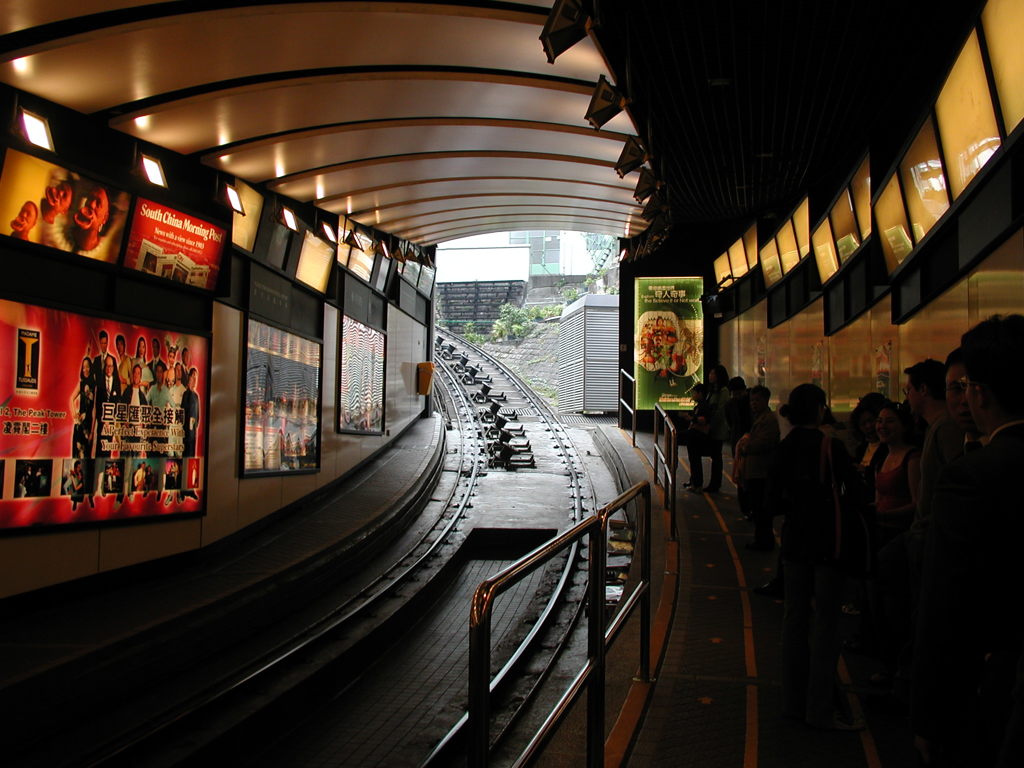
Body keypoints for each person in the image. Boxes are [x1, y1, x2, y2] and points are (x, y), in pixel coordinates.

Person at [913, 315, 1024, 768]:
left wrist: (928, 715)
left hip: (990, 688)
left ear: (979, 392)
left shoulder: (971, 477)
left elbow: (946, 605)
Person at [770, 383, 865, 730]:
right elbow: (853, 492)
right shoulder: (830, 446)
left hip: (794, 544)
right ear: (821, 409)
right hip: (827, 546)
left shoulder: (785, 446)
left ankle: (792, 703)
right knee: (826, 626)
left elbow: (773, 499)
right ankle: (820, 709)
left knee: (794, 623)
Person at [736, 385, 780, 550]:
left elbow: (761, 444)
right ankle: (761, 540)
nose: (753, 404)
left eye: (757, 400)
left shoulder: (768, 420)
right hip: (754, 471)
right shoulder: (760, 418)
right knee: (758, 508)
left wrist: (746, 446)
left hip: (760, 472)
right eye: (752, 400)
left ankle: (764, 541)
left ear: (766, 401)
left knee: (761, 510)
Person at [94, 354, 121, 457]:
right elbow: (98, 404)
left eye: (111, 366)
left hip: (111, 423)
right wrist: (103, 420)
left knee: (107, 450)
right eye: (107, 366)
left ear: (114, 368)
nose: (109, 368)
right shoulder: (100, 382)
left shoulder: (117, 383)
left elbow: (117, 402)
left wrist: (110, 420)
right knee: (99, 449)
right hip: (101, 423)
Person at [70, 185, 110, 253]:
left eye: (98, 203)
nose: (91, 204)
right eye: (90, 198)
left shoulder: (107, 250)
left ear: (105, 218)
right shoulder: (63, 229)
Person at [70, 356, 95, 459]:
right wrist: (74, 414)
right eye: (83, 367)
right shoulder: (81, 384)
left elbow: (94, 410)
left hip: (89, 425)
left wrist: (92, 432)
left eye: (87, 366)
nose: (85, 369)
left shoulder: (95, 385)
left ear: (91, 368)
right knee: (77, 453)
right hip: (80, 424)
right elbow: (71, 398)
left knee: (86, 455)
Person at [181, 367, 200, 458]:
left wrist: (195, 425)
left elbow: (198, 415)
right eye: (193, 376)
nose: (195, 379)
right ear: (189, 378)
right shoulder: (186, 394)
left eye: (196, 377)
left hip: (193, 432)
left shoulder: (196, 396)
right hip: (186, 433)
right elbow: (183, 413)